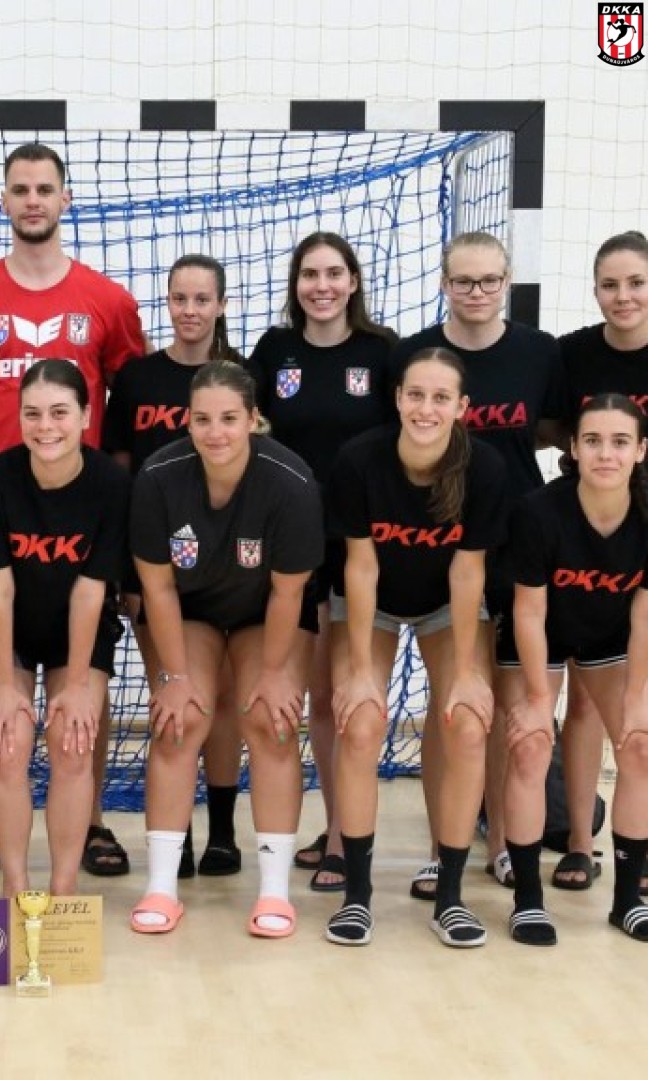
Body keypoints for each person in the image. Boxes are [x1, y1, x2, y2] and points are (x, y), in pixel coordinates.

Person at [0, 142, 145, 880]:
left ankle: (88, 823)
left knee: (77, 698)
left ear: (65, 198)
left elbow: (129, 407)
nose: (32, 200)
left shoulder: (107, 300)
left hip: (80, 519)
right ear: (4, 200)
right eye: (20, 189)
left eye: (44, 188)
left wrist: (118, 510)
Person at [392, 231, 564, 897]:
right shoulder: (415, 355)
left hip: (515, 546)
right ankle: (443, 847)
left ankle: (498, 843)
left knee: (495, 700)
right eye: (463, 280)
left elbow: (554, 432)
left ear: (507, 281)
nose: (476, 292)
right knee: (452, 703)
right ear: (444, 283)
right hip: (437, 546)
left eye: (490, 280)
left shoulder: (539, 353)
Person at [129, 361, 323, 937]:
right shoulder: (158, 477)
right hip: (190, 611)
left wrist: (275, 673)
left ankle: (274, 893)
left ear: (254, 419)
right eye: (203, 419)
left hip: (266, 613)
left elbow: (289, 592)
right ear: (187, 421)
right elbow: (158, 588)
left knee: (271, 719)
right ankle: (161, 888)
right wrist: (175, 677)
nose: (216, 432)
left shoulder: (291, 481)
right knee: (178, 719)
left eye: (229, 419)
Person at [326, 347, 507, 947]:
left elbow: (467, 570)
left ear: (462, 407)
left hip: (445, 603)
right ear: (398, 398)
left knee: (467, 723)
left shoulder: (484, 468)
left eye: (440, 398)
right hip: (371, 599)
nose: (426, 408)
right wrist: (359, 670)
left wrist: (468, 671)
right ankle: (356, 896)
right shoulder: (358, 460)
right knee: (360, 721)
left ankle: (449, 895)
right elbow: (360, 566)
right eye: (416, 395)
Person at [247, 232, 398, 891]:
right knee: (313, 701)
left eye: (334, 273)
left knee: (344, 695)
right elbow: (250, 432)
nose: (322, 286)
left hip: (358, 542)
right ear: (296, 284)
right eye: (310, 274)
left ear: (353, 281)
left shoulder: (381, 351)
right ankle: (334, 828)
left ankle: (343, 840)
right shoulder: (274, 350)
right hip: (290, 543)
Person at [103, 253, 247, 878]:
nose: (190, 311)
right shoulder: (137, 379)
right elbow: (118, 479)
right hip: (157, 567)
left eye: (202, 299)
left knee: (225, 702)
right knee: (176, 694)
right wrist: (125, 574)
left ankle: (223, 832)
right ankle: (176, 835)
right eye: (179, 299)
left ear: (221, 305)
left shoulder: (242, 375)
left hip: (234, 570)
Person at [0, 360, 130, 898]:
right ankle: (15, 888)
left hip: (77, 628)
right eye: (32, 414)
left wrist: (78, 685)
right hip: (5, 627)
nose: (46, 426)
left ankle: (62, 892)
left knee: (73, 743)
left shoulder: (111, 484)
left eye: (60, 412)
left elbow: (90, 590)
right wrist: (2, 686)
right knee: (6, 742)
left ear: (85, 415)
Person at [500, 394, 648, 944]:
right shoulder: (538, 511)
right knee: (531, 746)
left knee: (639, 745)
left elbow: (644, 614)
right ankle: (527, 901)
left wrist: (637, 698)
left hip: (608, 637)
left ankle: (627, 900)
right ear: (573, 448)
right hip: (539, 634)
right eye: (593, 441)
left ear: (640, 451)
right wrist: (540, 702)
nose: (606, 454)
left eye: (619, 442)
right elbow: (528, 611)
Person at [553, 231, 648, 894]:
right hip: (594, 538)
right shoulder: (572, 355)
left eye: (637, 283)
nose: (624, 296)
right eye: (610, 284)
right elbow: (548, 430)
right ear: (594, 290)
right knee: (585, 701)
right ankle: (580, 843)